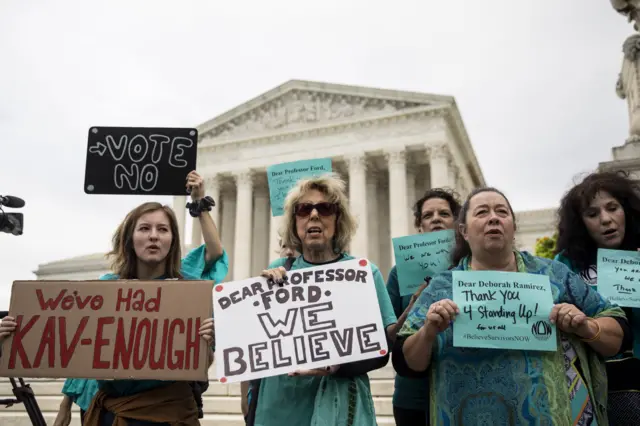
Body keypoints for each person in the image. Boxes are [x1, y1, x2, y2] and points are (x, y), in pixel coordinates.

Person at [2, 170, 229, 426]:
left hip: (169, 414)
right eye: (144, 228)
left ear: (172, 241)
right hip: (111, 414)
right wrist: (12, 335)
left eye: (163, 229)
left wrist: (199, 203)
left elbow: (215, 252)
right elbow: (84, 352)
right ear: (130, 239)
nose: (154, 235)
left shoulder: (185, 288)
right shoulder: (106, 289)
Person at [393, 187, 632, 425]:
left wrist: (587, 327)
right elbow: (407, 362)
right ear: (463, 231)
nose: (493, 218)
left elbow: (616, 328)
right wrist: (428, 331)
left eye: (502, 211)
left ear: (513, 227)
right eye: (482, 212)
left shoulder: (555, 275)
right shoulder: (442, 286)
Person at [247, 173, 397, 426]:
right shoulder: (278, 271)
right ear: (295, 222)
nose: (314, 215)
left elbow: (384, 345)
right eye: (304, 209)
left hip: (338, 403)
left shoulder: (363, 272)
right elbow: (257, 342)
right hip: (281, 406)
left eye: (325, 208)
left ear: (338, 220)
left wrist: (338, 365)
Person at [554, 170, 640, 424]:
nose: (605, 219)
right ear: (581, 223)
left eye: (612, 208)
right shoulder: (566, 264)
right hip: (596, 382)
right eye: (592, 214)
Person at [386, 188, 461, 426]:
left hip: (460, 393)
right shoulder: (400, 273)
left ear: (457, 224)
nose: (436, 218)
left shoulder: (472, 269)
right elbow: (386, 339)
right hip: (412, 399)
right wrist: (411, 308)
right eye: (428, 215)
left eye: (444, 213)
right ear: (420, 227)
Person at [241, 238, 300, 421]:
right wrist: (245, 395)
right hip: (268, 393)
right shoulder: (267, 287)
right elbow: (250, 346)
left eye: (294, 246)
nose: (289, 252)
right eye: (284, 246)